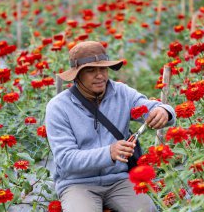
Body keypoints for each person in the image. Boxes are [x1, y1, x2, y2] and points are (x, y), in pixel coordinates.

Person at [45, 41, 176, 212]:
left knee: (146, 210)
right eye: (91, 70)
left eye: (103, 69)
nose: (100, 76)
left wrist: (163, 111)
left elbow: (148, 107)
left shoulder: (121, 93)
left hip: (120, 180)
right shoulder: (58, 107)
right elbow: (66, 159)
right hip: (78, 184)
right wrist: (109, 153)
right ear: (77, 75)